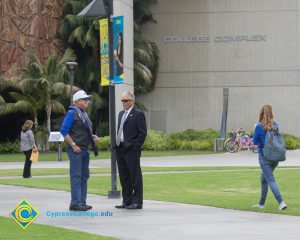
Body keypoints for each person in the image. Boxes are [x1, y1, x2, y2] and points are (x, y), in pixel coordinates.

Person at [60, 90, 100, 211]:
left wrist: (92, 137)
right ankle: (75, 203)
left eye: (87, 99)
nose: (87, 101)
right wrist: (73, 145)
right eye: (84, 99)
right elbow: (64, 131)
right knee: (76, 176)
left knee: (84, 176)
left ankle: (82, 202)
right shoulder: (72, 113)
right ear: (77, 101)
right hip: (76, 151)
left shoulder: (83, 113)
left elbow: (82, 131)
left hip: (84, 150)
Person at [115, 91, 147, 210]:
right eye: (122, 100)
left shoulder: (138, 114)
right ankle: (126, 200)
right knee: (124, 176)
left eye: (125, 100)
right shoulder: (121, 114)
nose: (123, 103)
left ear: (132, 101)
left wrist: (135, 147)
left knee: (135, 176)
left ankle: (137, 202)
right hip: (120, 148)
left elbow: (142, 133)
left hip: (131, 149)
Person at [252, 104, 287, 211]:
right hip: (275, 157)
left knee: (270, 179)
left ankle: (281, 202)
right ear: (271, 112)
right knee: (263, 179)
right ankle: (261, 203)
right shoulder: (275, 124)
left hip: (264, 158)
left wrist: (255, 130)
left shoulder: (258, 126)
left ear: (261, 112)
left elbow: (254, 142)